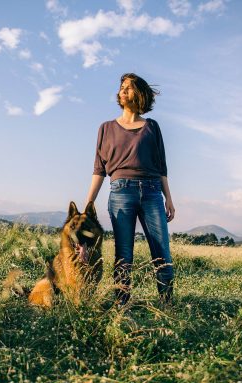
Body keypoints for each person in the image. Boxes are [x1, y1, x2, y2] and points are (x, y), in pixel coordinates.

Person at [85, 73, 175, 308]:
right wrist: (89, 203)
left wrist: (169, 198)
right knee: (124, 254)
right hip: (121, 192)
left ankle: (167, 304)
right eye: (121, 87)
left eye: (129, 87)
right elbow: (99, 168)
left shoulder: (152, 127)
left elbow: (162, 165)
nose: (123, 90)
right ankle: (121, 305)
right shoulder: (105, 128)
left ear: (140, 94)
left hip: (153, 192)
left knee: (161, 251)